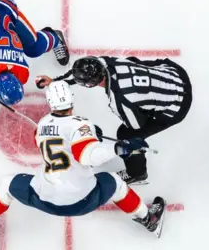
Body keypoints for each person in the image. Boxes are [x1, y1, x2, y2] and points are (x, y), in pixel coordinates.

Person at [0, 81, 166, 244]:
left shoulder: (44, 123)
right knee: (116, 183)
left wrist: (90, 136)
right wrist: (118, 147)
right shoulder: (81, 123)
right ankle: (149, 220)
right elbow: (87, 155)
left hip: (45, 198)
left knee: (7, 186)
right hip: (83, 200)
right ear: (71, 100)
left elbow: (44, 139)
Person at [36, 56, 192, 185]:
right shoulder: (108, 63)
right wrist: (55, 81)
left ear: (90, 85)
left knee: (126, 134)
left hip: (177, 105)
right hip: (174, 73)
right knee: (134, 62)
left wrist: (140, 108)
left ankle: (137, 173)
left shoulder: (120, 101)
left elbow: (136, 125)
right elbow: (81, 71)